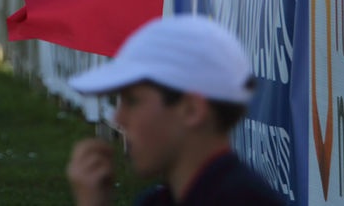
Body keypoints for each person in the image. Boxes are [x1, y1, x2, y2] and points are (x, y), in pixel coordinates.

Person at [66, 15, 283, 206]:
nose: (118, 118)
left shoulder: (243, 200)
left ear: (192, 110)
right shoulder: (159, 200)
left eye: (132, 102)